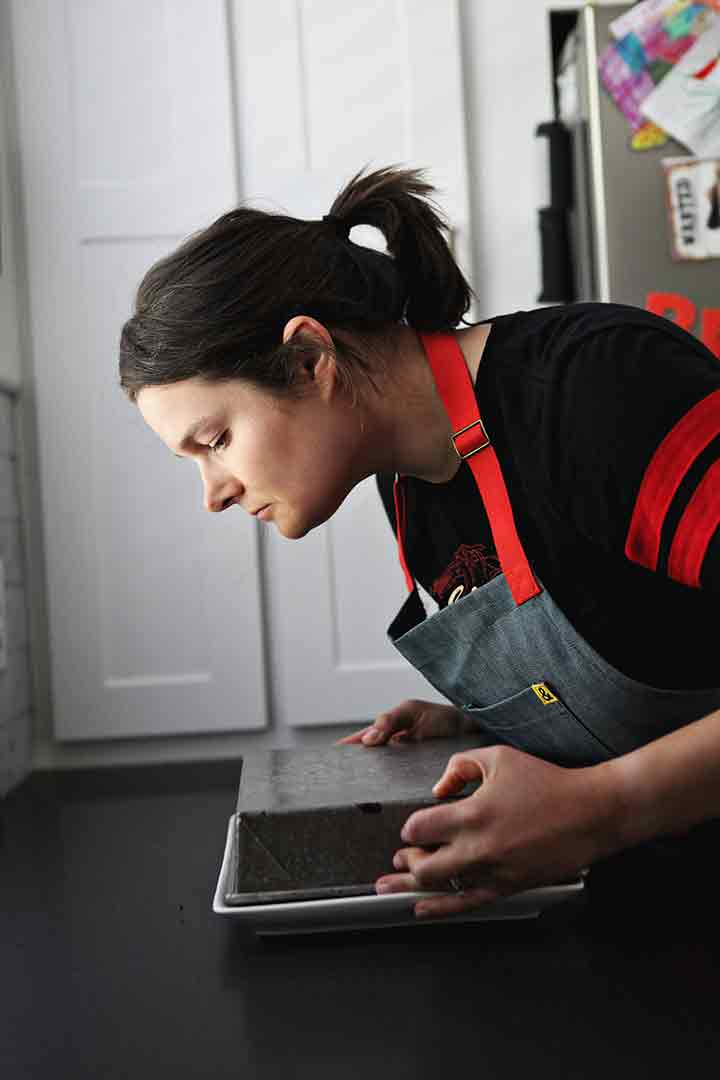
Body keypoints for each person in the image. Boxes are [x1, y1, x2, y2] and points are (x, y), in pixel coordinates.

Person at [119, 165, 720, 922]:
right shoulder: (409, 485)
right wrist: (495, 720)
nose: (215, 492)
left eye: (216, 440)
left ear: (311, 359)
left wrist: (603, 807)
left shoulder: (596, 389)